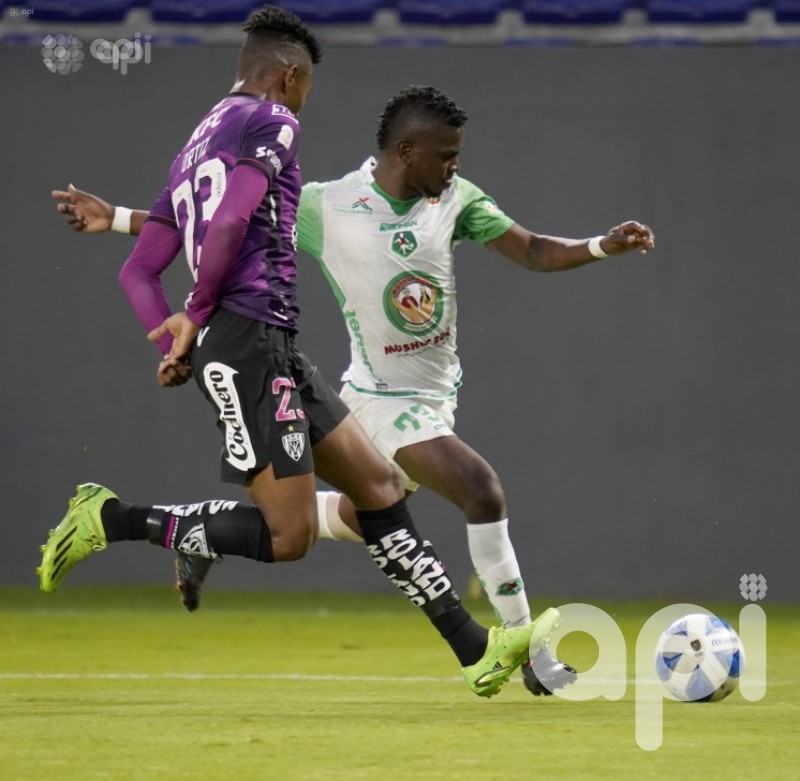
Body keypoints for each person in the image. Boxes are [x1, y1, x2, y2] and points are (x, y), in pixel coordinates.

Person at [52, 85, 653, 694]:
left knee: (347, 519)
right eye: (446, 156)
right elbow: (212, 225)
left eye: (458, 156)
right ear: (407, 151)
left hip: (433, 398)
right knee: (481, 491)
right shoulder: (326, 206)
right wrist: (119, 220)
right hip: (377, 399)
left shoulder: (458, 202)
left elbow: (532, 251)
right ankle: (530, 656)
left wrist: (604, 245)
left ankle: (201, 535)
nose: (455, 167)